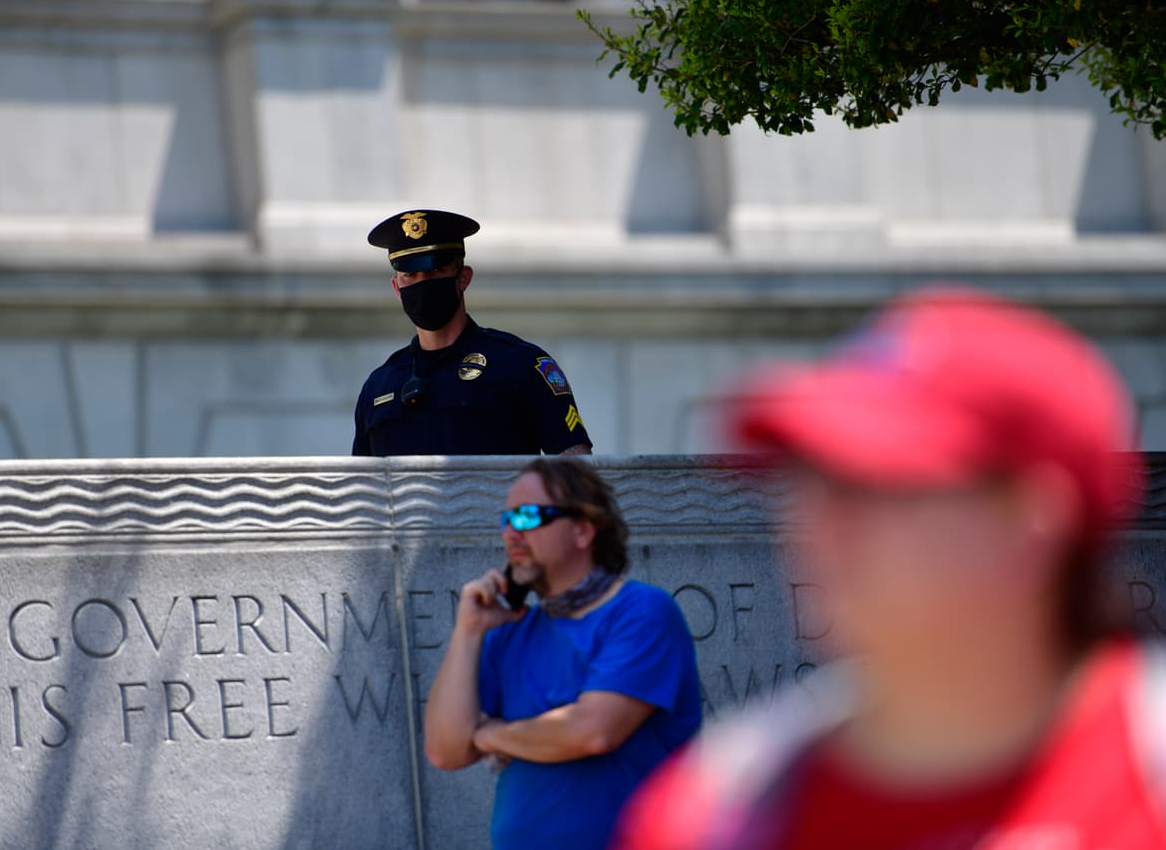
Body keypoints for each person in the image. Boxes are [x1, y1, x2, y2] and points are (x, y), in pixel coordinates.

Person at [614, 287, 1166, 849]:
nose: (820, 524)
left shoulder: (1150, 777)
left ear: (1030, 528)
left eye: (876, 483)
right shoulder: (712, 817)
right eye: (814, 479)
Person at [424, 457, 702, 849]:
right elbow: (445, 750)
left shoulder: (641, 612)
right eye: (506, 520)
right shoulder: (511, 630)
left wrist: (490, 734)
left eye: (527, 517)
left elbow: (591, 731)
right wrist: (468, 632)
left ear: (583, 530)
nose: (511, 534)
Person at [352, 209, 593, 456]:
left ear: (463, 278)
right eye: (410, 275)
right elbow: (360, 488)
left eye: (436, 271)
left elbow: (578, 475)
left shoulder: (521, 365)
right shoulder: (378, 387)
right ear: (396, 287)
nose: (423, 284)